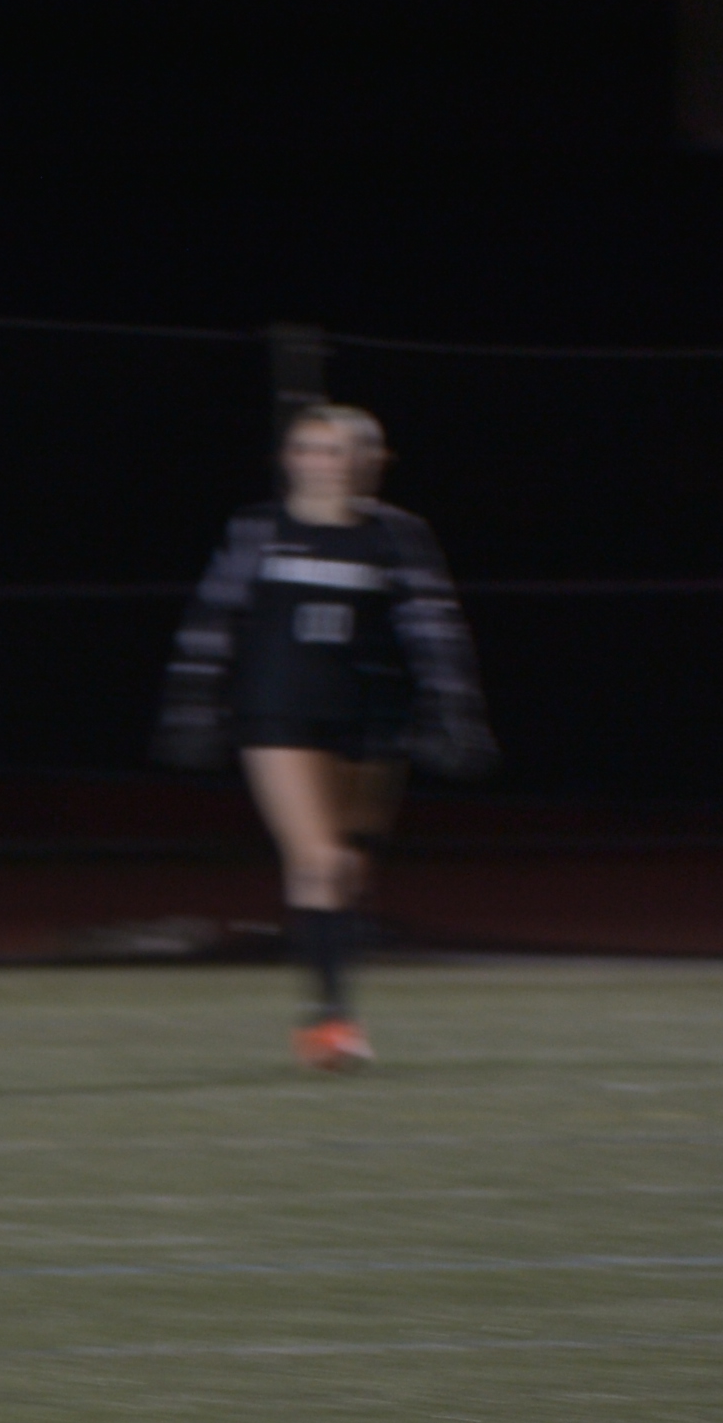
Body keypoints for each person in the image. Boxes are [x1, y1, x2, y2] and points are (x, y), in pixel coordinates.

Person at [158, 403, 494, 1072]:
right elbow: (213, 617)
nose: (320, 463)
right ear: (289, 459)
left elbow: (435, 630)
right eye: (307, 449)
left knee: (350, 866)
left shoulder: (397, 534)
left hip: (371, 715)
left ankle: (329, 1006)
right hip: (278, 711)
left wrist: (455, 709)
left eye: (336, 450)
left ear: (371, 462)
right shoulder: (260, 528)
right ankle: (332, 1021)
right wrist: (192, 701)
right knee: (321, 859)